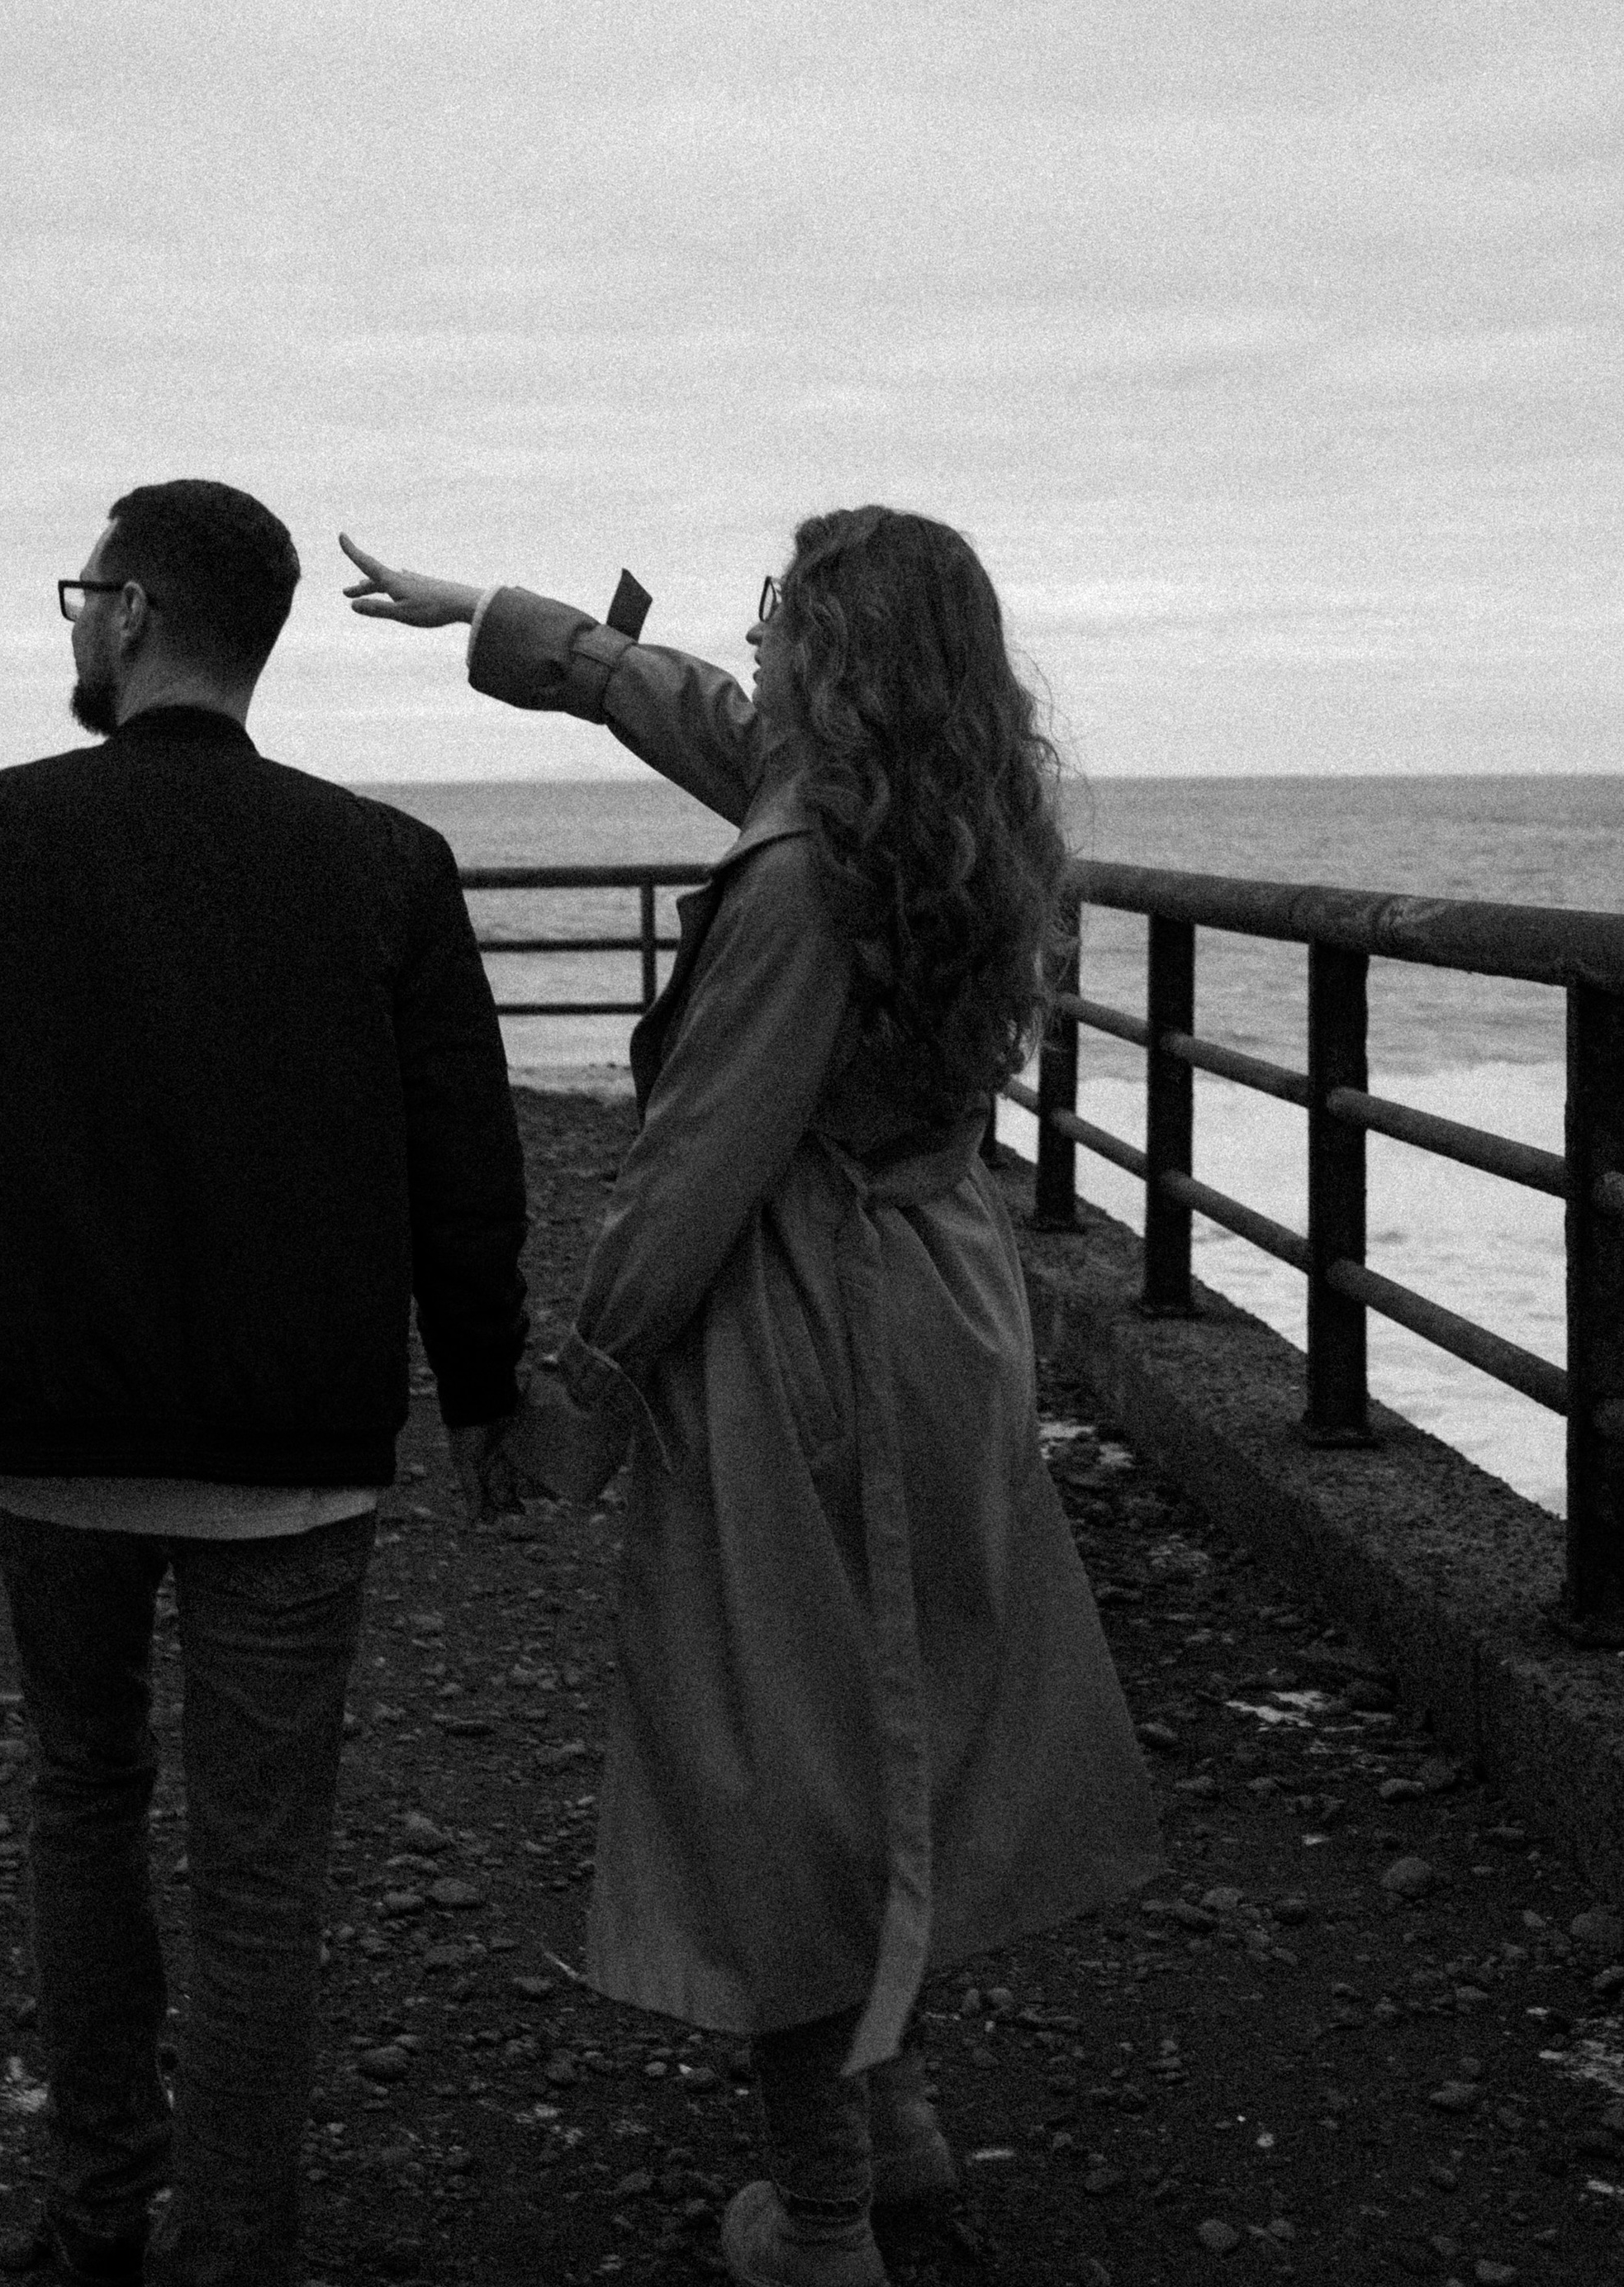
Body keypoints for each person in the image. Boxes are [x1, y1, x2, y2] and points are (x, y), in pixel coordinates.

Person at [341, 512, 1163, 2287]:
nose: (754, 632)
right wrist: (500, 618)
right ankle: (898, 2112)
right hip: (945, 1308)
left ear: (835, 658)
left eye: (780, 611)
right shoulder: (947, 821)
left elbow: (697, 1157)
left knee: (776, 1769)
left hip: (812, 1329)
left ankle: (823, 2220)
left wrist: (589, 1382)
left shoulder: (797, 878)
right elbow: (702, 716)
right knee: (904, 1729)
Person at [0, 480, 529, 2287]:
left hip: (48, 1442)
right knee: (262, 1871)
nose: (73, 626)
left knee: (81, 1798)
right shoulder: (384, 864)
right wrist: (488, 1389)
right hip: (294, 1449)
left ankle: (94, 2210)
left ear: (125, 615)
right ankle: (237, 2249)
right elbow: (465, 1161)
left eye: (80, 596)